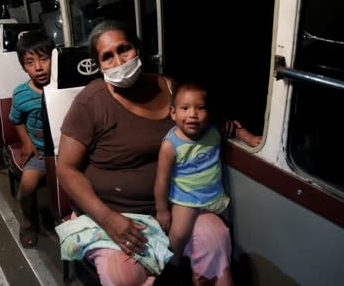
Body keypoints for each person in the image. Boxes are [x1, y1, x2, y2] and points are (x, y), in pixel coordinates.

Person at [56, 19, 234, 285]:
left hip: (176, 204)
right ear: (99, 65)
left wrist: (227, 126)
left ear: (137, 49)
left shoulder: (170, 88)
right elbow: (66, 168)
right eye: (107, 57)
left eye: (124, 49)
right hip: (115, 212)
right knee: (123, 276)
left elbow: (193, 120)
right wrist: (109, 220)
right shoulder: (90, 102)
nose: (119, 61)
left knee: (215, 240)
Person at [154, 82, 231, 274]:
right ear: (173, 113)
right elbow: (161, 180)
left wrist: (247, 136)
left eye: (200, 108)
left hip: (215, 196)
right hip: (185, 199)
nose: (193, 114)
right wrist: (162, 210)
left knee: (226, 233)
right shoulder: (170, 145)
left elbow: (233, 128)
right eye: (185, 108)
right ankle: (173, 266)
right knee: (179, 234)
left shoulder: (213, 131)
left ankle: (213, 269)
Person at [9, 29, 55, 248]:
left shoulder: (63, 87)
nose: (38, 67)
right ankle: (28, 220)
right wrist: (26, 142)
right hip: (40, 151)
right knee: (27, 185)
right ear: (23, 66)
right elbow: (16, 120)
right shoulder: (21, 94)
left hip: (65, 151)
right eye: (30, 62)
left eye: (44, 59)